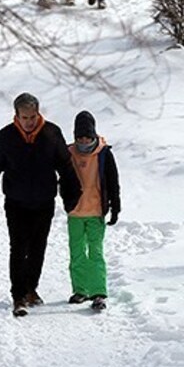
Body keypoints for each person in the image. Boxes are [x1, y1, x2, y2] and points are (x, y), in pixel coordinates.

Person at [0, 93, 81, 317]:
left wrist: (72, 195)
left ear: (38, 113)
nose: (29, 122)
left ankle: (31, 289)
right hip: (16, 202)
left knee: (37, 248)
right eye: (25, 117)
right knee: (18, 247)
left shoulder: (51, 133)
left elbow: (65, 166)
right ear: (16, 116)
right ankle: (19, 296)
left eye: (33, 117)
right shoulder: (7, 136)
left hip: (44, 201)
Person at [65, 111, 120, 311]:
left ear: (94, 135)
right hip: (75, 213)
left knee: (95, 252)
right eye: (79, 137)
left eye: (87, 137)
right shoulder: (68, 153)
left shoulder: (104, 154)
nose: (83, 141)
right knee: (77, 253)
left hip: (96, 212)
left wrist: (115, 207)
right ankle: (80, 290)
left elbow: (113, 182)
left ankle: (98, 292)